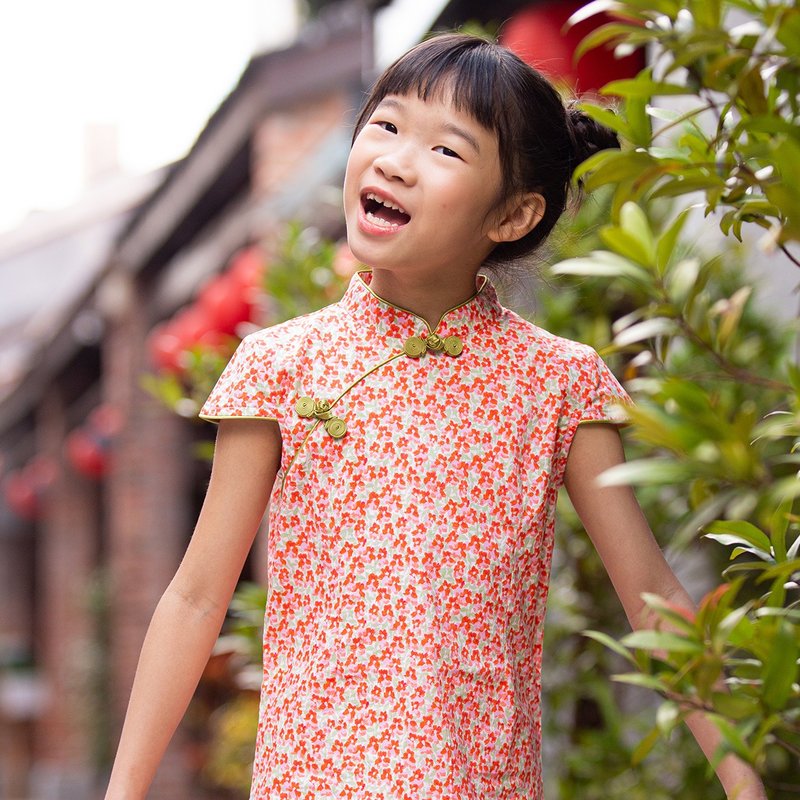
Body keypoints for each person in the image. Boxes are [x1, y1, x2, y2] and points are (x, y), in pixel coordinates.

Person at [105, 33, 767, 800]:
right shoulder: (280, 365)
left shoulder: (559, 382)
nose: (394, 160)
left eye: (445, 149)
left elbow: (653, 593)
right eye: (386, 125)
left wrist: (743, 780)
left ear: (513, 214)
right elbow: (195, 598)